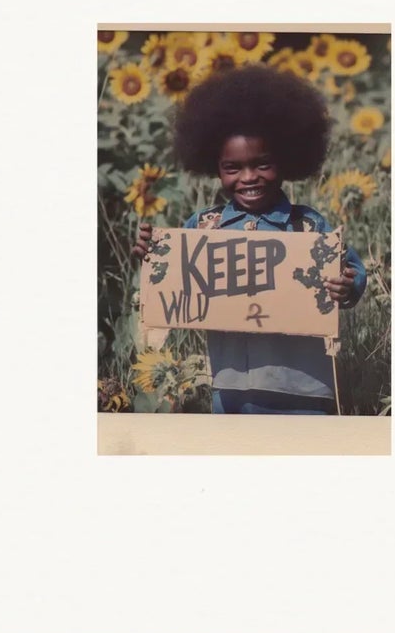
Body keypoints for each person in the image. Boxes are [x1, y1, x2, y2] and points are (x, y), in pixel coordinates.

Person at [133, 64, 366, 415]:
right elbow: (173, 275)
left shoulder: (308, 226)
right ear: (215, 168)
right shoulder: (204, 226)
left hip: (304, 388)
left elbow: (351, 272)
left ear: (286, 160)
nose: (249, 177)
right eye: (233, 168)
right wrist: (152, 253)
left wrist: (347, 286)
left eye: (262, 164)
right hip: (230, 389)